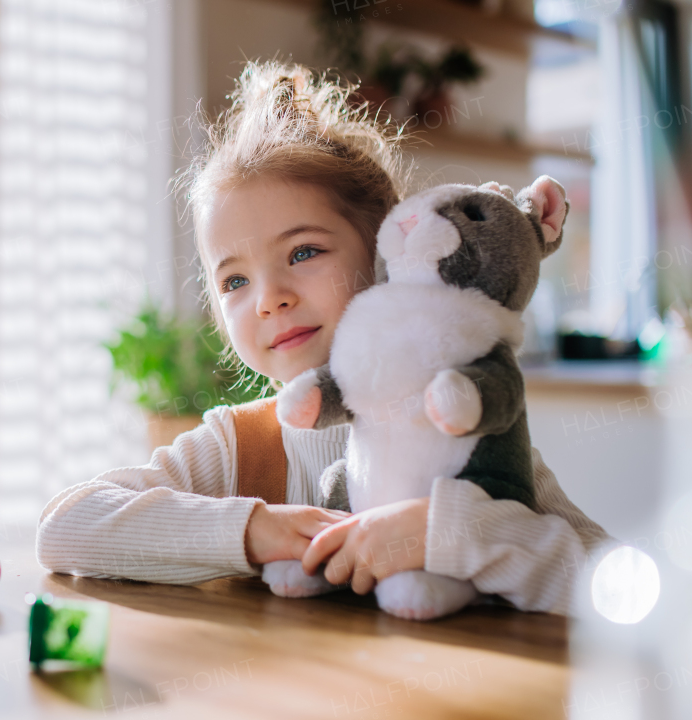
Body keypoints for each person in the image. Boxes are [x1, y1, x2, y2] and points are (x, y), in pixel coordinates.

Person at [35, 60, 611, 615]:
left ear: (385, 254)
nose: (269, 297)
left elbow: (611, 582)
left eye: (303, 252)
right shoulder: (239, 447)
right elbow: (65, 526)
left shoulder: (464, 424)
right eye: (235, 279)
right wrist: (255, 531)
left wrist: (444, 535)